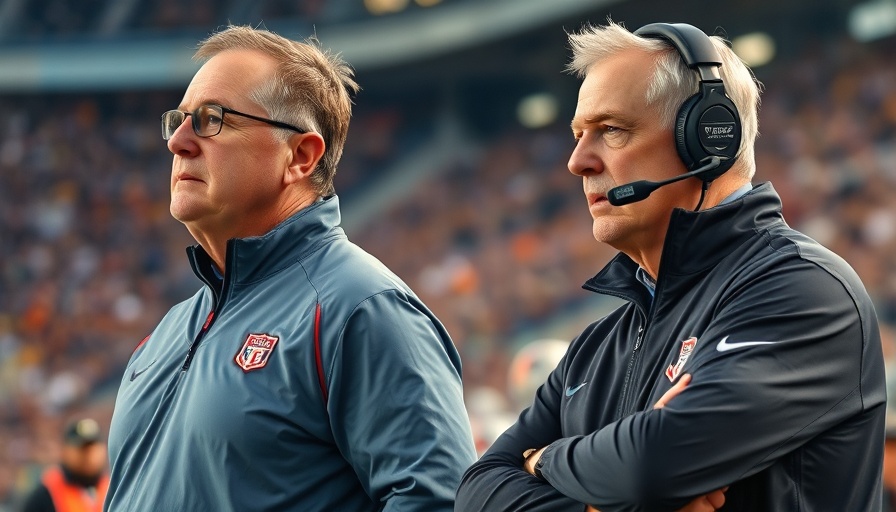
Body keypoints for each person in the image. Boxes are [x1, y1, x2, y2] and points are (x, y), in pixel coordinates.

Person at [455, 20, 886, 512]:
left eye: (611, 130)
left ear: (708, 138)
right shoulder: (596, 346)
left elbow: (652, 463)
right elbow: (477, 491)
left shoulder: (807, 289)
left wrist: (544, 459)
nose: (577, 162)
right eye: (578, 135)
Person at [104, 25, 477, 512]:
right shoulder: (168, 332)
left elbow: (438, 502)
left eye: (211, 119)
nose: (178, 141)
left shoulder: (362, 310)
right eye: (178, 119)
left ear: (300, 155)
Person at [22, 418, 109, 512]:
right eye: (81, 449)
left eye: (92, 448)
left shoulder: (111, 487)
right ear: (65, 451)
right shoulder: (46, 494)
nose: (88, 455)